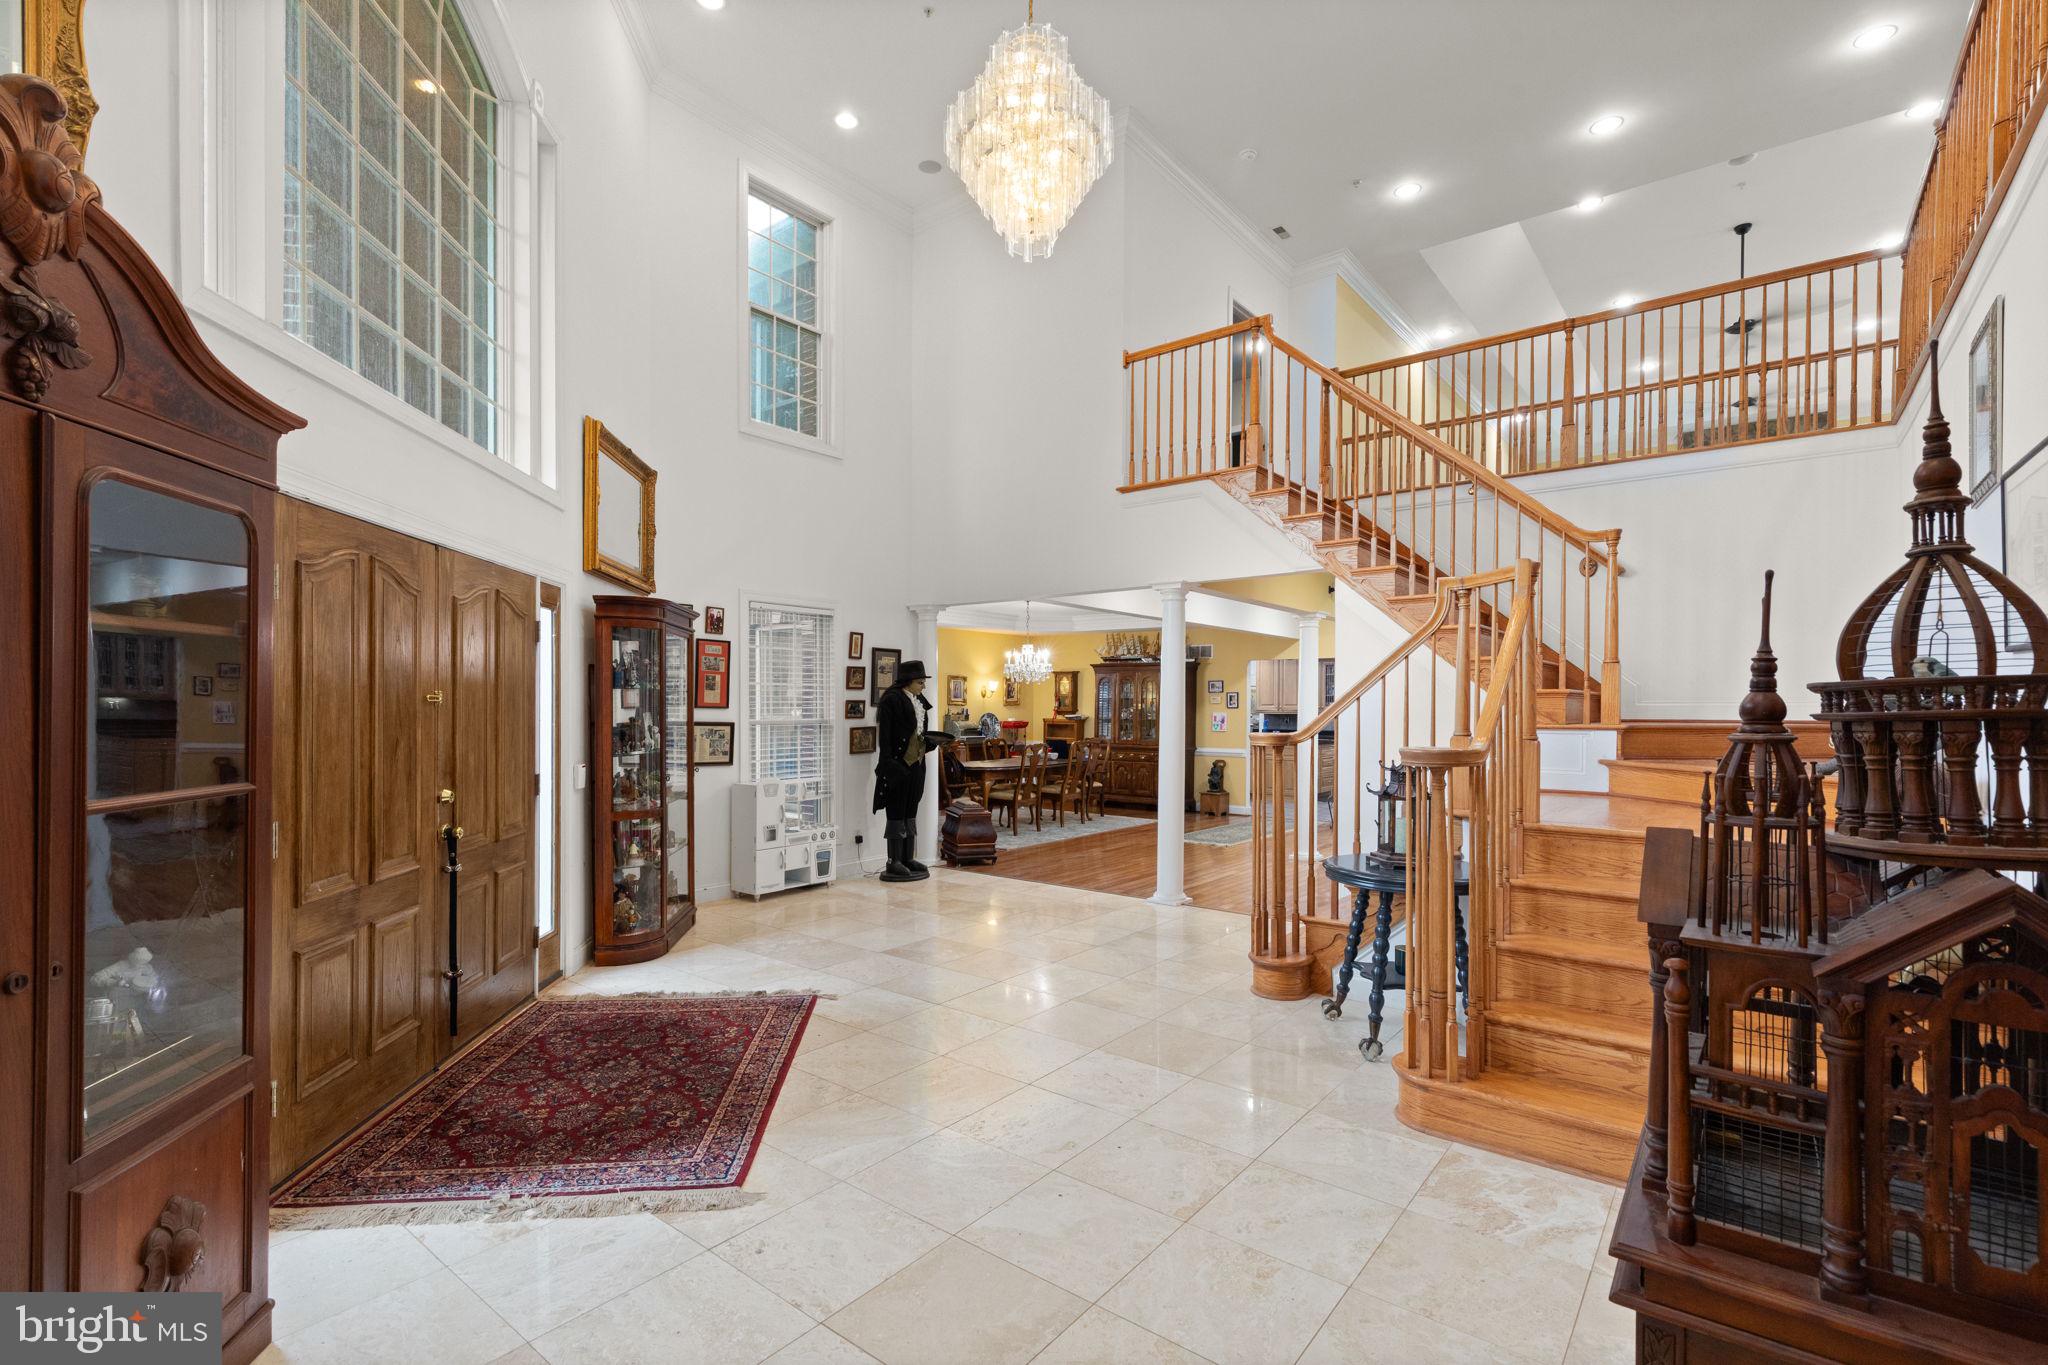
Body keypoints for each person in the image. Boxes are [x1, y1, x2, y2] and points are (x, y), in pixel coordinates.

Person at [872, 659, 951, 881]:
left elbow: (918, 735)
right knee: (896, 812)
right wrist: (891, 765)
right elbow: (886, 739)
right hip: (897, 766)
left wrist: (931, 743)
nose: (923, 686)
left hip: (916, 765)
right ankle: (893, 861)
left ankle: (907, 858)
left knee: (911, 811)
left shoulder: (919, 701)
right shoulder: (891, 700)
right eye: (920, 682)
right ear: (907, 682)